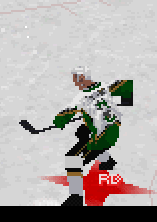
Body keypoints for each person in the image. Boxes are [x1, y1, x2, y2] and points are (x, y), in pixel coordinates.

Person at [54, 66, 133, 206]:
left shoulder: (80, 99)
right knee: (82, 131)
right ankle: (107, 161)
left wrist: (59, 122)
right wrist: (126, 101)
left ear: (82, 78)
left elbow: (63, 116)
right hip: (114, 129)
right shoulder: (105, 87)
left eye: (76, 79)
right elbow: (126, 84)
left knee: (72, 159)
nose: (75, 82)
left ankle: (76, 198)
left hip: (102, 137)